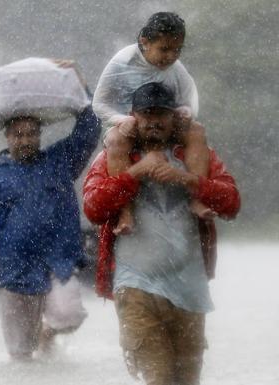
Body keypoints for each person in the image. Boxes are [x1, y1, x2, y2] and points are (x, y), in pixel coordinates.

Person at [83, 83, 240, 385]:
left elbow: (231, 203)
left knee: (186, 380)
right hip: (135, 287)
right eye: (146, 114)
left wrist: (188, 180)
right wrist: (136, 172)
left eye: (162, 114)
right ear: (133, 117)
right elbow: (93, 208)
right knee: (160, 379)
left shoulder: (197, 155)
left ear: (175, 117)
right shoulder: (113, 156)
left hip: (190, 290)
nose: (154, 121)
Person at [0, 104, 101, 360]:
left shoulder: (59, 162)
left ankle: (47, 334)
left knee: (69, 315)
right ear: (7, 136)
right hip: (11, 271)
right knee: (21, 357)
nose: (25, 140)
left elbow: (89, 131)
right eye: (18, 135)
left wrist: (81, 89)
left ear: (40, 135)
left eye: (31, 134)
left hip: (57, 263)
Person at [93, 12, 213, 236]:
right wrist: (122, 119)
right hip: (129, 126)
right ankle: (126, 211)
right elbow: (99, 104)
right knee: (115, 139)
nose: (170, 57)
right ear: (144, 42)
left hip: (166, 126)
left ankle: (197, 199)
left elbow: (190, 101)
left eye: (177, 50)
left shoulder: (176, 68)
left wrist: (186, 112)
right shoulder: (122, 61)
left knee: (197, 131)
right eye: (164, 49)